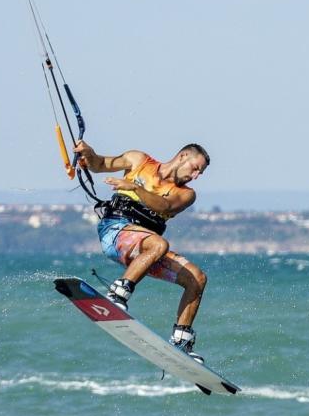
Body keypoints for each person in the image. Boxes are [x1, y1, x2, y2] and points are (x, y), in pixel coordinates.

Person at [73, 140, 211, 363]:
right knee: (158, 245)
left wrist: (135, 188)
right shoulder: (139, 160)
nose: (195, 176)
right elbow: (99, 164)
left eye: (200, 173)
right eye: (196, 168)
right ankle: (117, 295)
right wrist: (88, 154)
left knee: (197, 278)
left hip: (146, 249)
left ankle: (181, 341)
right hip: (115, 231)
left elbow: (164, 207)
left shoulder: (186, 194)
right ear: (183, 156)